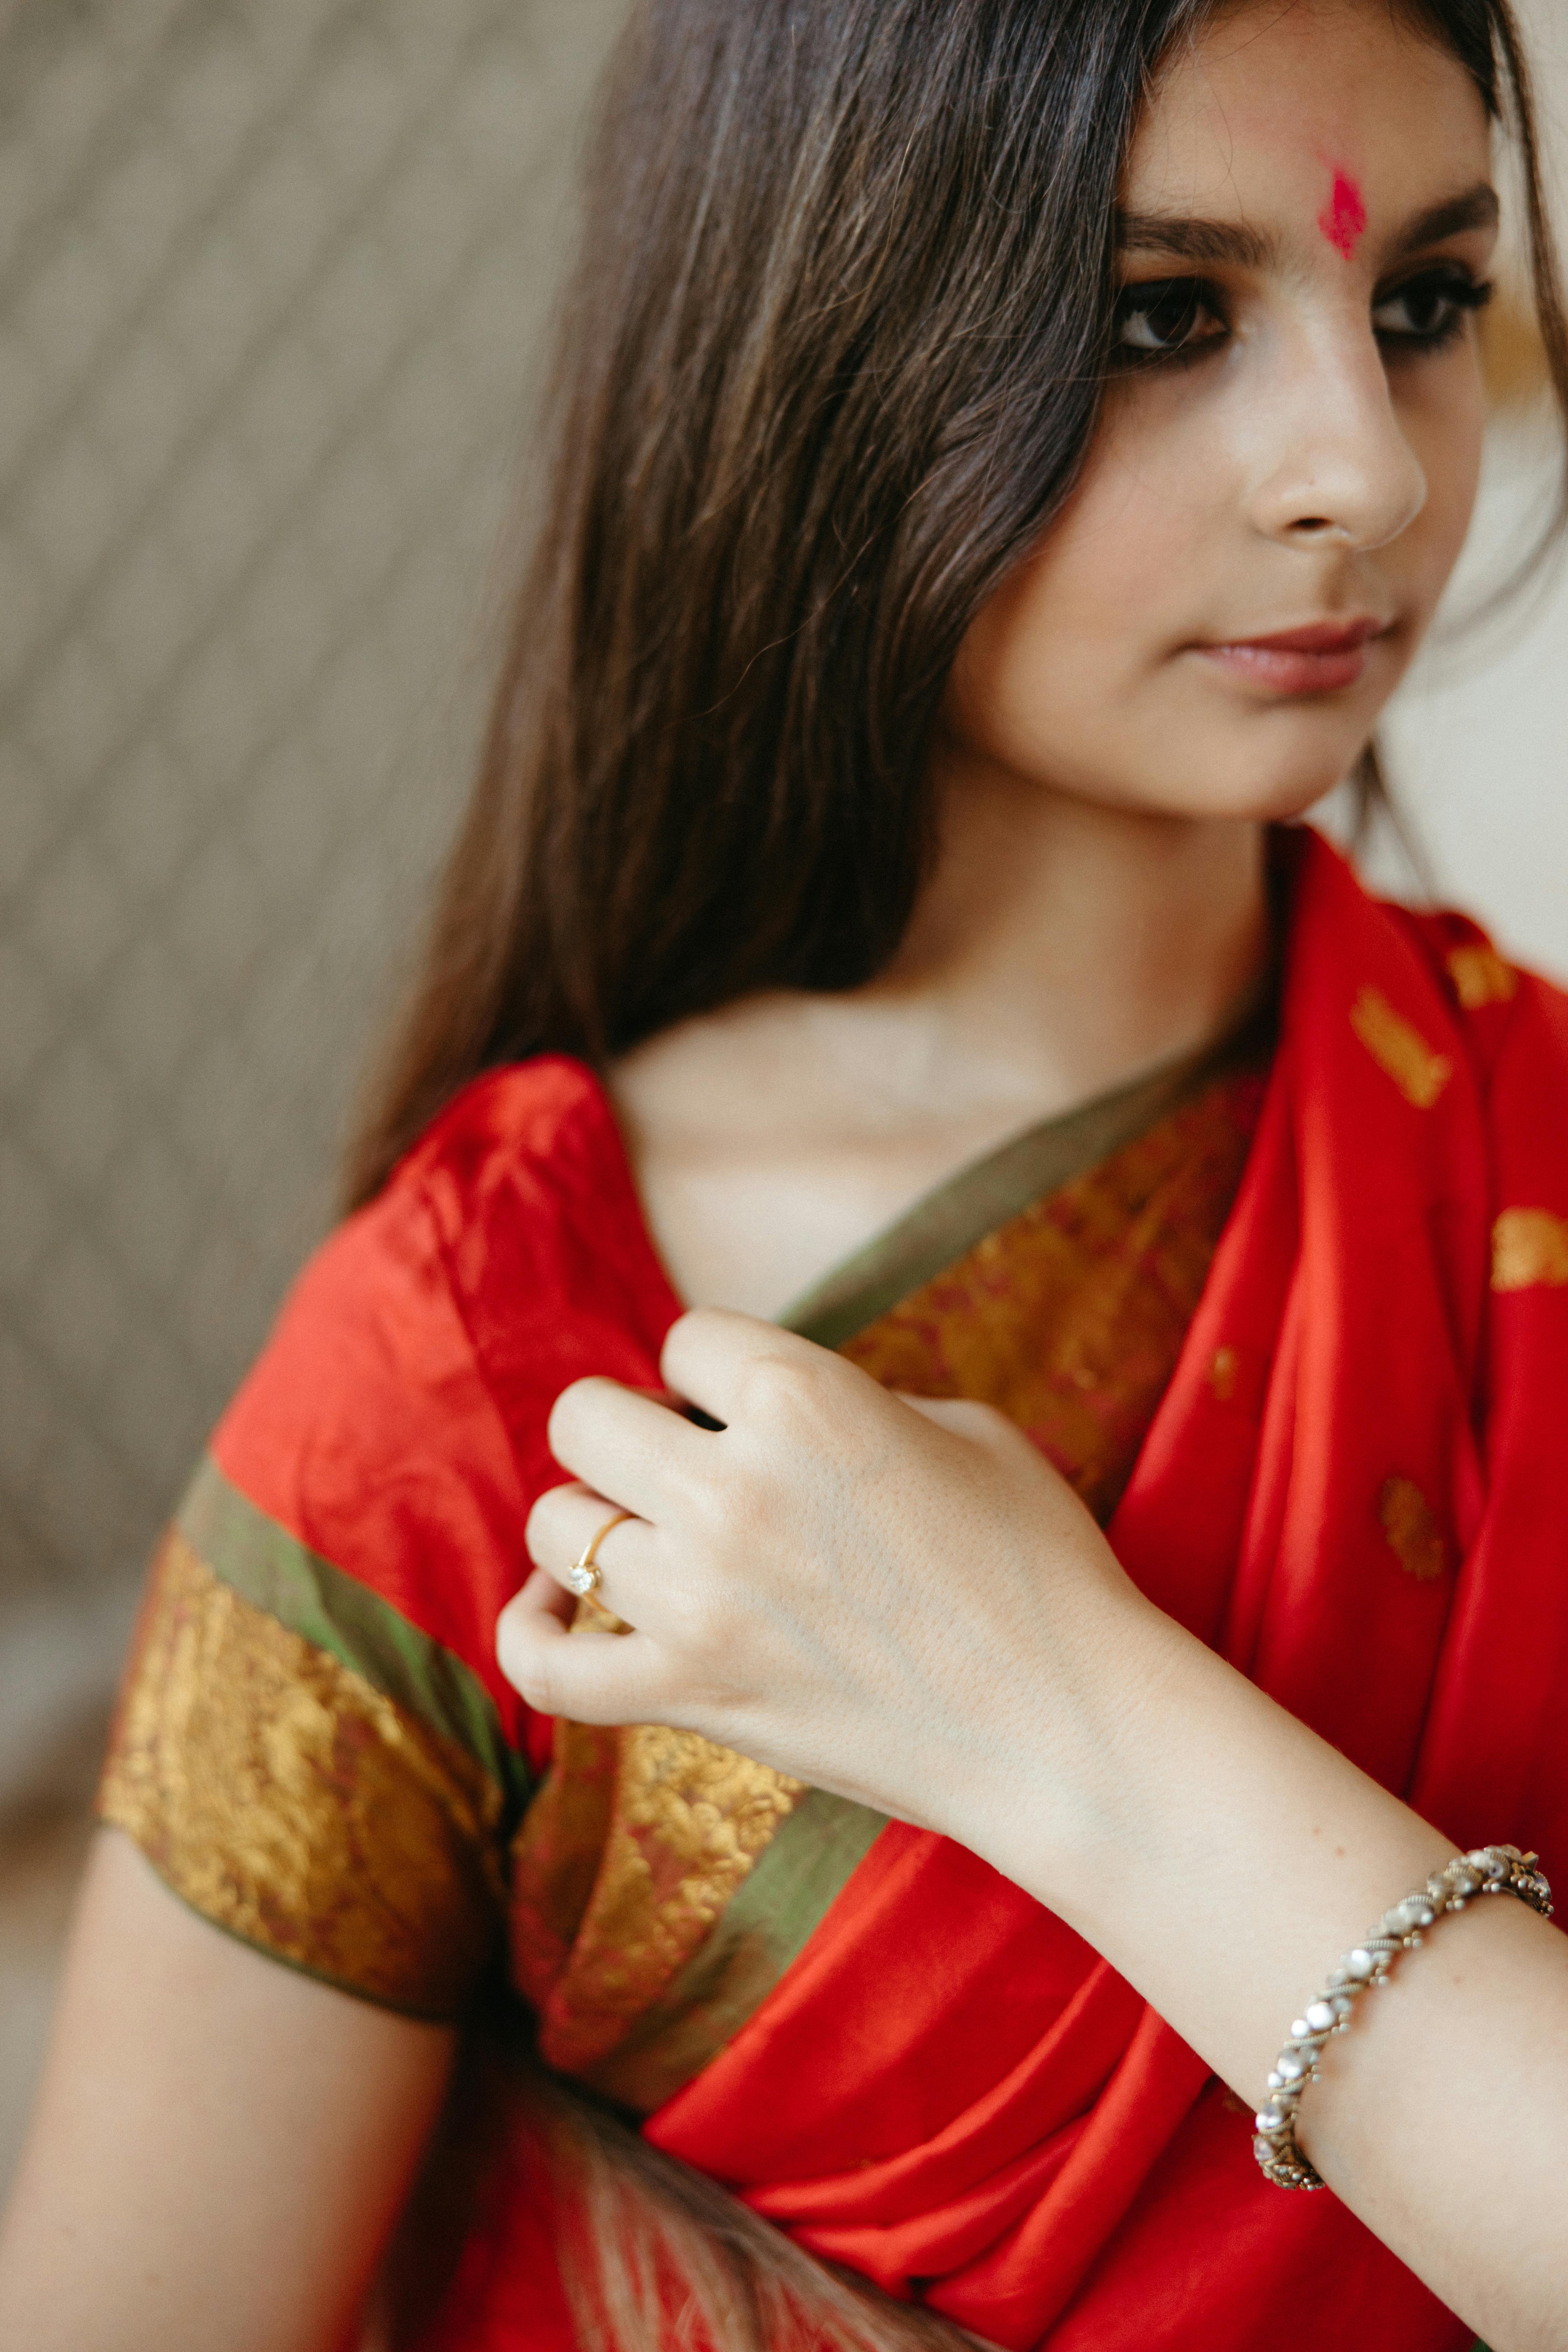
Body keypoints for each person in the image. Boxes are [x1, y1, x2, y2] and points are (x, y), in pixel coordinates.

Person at [3, 0, 1568, 2345]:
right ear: (832, 342)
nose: (1369, 466)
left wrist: (1048, 1697)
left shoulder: (1526, 1170)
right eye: (1163, 318)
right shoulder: (491, 1351)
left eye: (1424, 300)